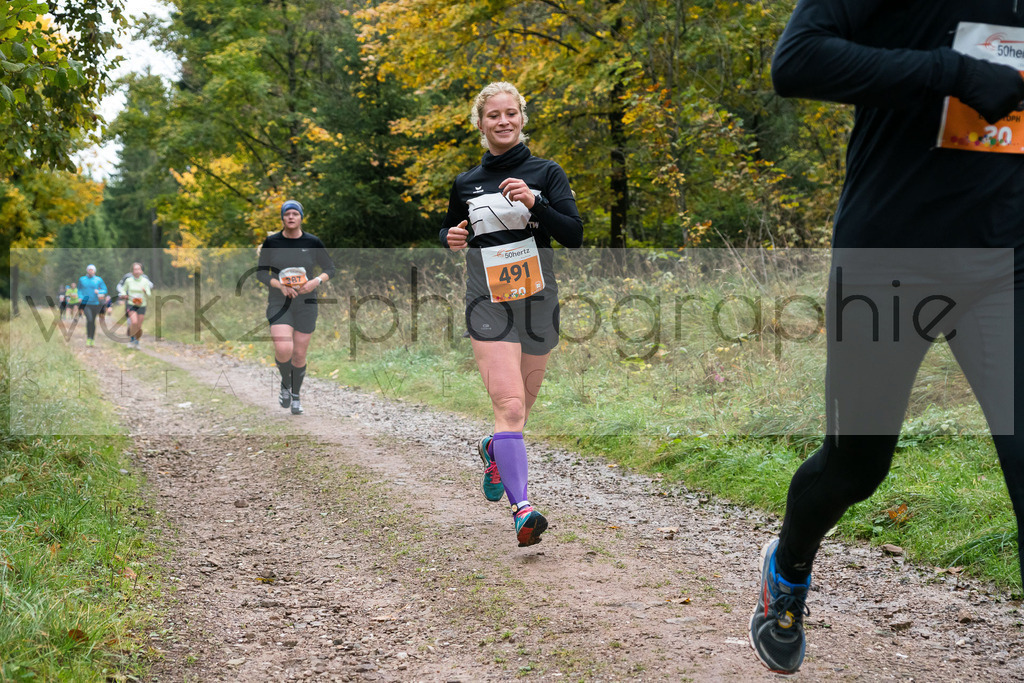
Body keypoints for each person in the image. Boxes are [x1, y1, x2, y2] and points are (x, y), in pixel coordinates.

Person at [750, 0, 1024, 675]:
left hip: (1004, 260)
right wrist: (951, 72)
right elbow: (797, 60)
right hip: (887, 255)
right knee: (856, 466)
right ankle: (786, 567)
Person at [440, 82, 583, 547]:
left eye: (510, 114)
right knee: (511, 406)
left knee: (519, 416)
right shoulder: (465, 182)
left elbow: (575, 235)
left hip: (538, 300)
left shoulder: (547, 171)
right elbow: (450, 227)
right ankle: (523, 510)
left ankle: (493, 451)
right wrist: (450, 236)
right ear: (480, 124)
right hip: (488, 302)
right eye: (493, 115)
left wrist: (535, 202)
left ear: (522, 118)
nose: (503, 121)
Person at [256, 200, 335, 415]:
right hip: (279, 302)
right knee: (284, 349)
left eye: (295, 214)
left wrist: (315, 282)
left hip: (306, 303)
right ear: (282, 218)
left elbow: (330, 268)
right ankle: (285, 384)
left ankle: (296, 395)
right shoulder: (272, 242)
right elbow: (261, 273)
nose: (291, 217)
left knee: (299, 354)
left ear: (301, 217)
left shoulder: (312, 241)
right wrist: (279, 286)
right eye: (287, 214)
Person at [116, 262, 155, 349]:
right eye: (135, 269)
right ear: (132, 271)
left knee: (139, 325)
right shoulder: (128, 280)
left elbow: (149, 293)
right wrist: (123, 295)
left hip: (142, 304)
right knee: (134, 322)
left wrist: (145, 291)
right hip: (131, 304)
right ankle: (131, 339)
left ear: (142, 271)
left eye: (138, 269)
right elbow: (122, 289)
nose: (137, 271)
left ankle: (137, 342)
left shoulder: (145, 281)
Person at [77, 264, 108, 347]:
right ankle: (88, 338)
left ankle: (92, 339)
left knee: (93, 321)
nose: (91, 271)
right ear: (87, 270)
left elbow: (105, 289)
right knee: (89, 320)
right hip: (86, 303)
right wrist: (80, 297)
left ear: (94, 271)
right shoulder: (82, 279)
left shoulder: (98, 280)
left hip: (96, 303)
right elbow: (79, 290)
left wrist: (99, 292)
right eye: (89, 269)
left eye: (92, 269)